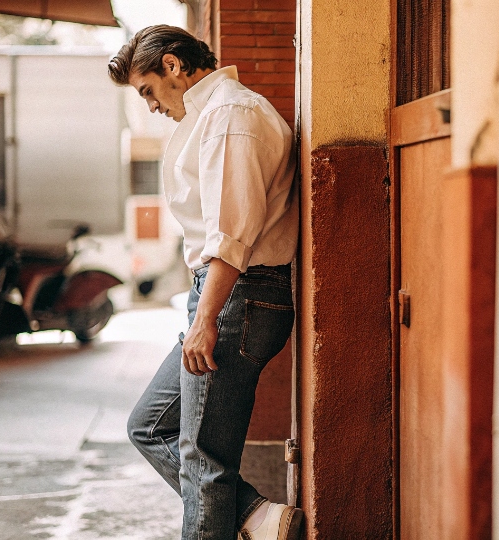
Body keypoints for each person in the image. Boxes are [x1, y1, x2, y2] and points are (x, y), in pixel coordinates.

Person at [108, 25, 302, 540]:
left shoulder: (228, 117)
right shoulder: (211, 116)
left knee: (205, 459)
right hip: (228, 295)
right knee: (150, 425)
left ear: (173, 65)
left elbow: (231, 236)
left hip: (240, 297)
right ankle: (255, 516)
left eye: (147, 90)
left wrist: (206, 319)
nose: (149, 105)